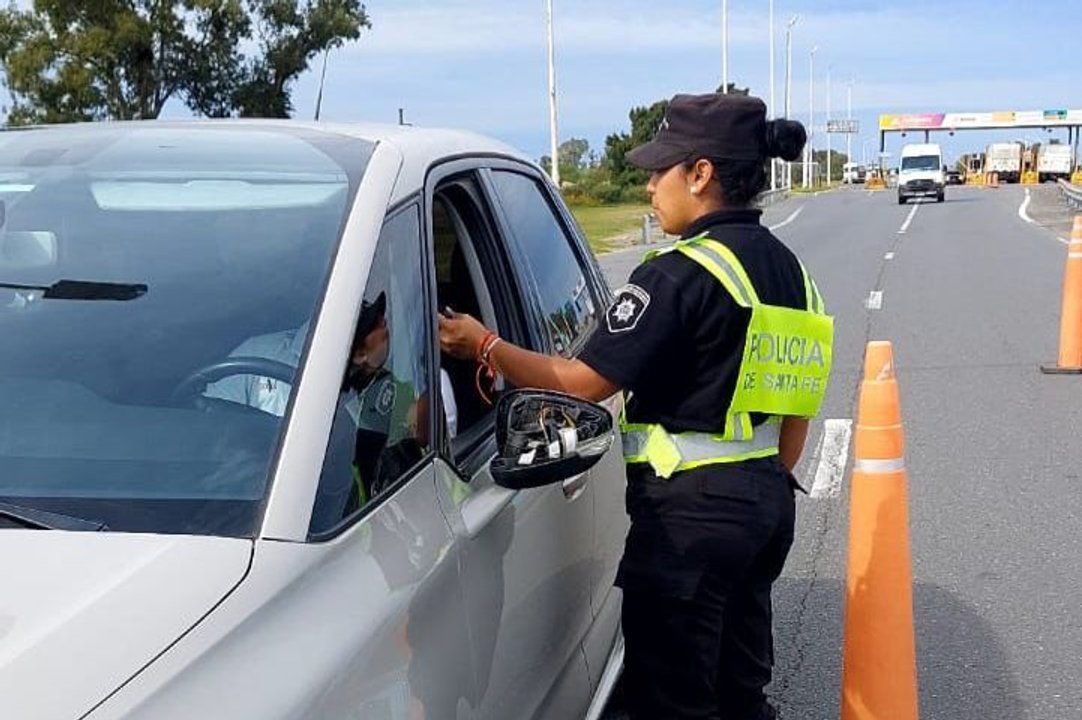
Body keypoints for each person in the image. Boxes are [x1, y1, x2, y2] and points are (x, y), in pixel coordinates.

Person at [439, 93, 832, 719]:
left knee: (673, 699)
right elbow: (798, 409)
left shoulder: (679, 273)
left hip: (690, 525)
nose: (649, 185)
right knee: (740, 686)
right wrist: (764, 484)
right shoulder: (792, 273)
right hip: (764, 507)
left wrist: (482, 342)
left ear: (700, 175)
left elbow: (583, 384)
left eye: (660, 169)